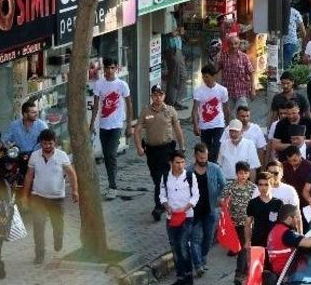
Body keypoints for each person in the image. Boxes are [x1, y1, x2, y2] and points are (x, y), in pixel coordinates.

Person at [22, 129, 78, 265]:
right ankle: (39, 254)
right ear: (40, 143)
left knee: (57, 224)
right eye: (44, 143)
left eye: (50, 143)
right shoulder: (34, 156)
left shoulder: (62, 156)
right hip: (38, 196)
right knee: (38, 225)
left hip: (56, 197)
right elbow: (29, 175)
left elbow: (71, 174)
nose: (47, 146)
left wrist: (75, 191)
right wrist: (24, 195)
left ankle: (58, 239)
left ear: (55, 142)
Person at [133, 85, 185, 222]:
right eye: (155, 95)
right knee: (156, 177)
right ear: (151, 96)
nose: (158, 97)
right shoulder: (145, 111)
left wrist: (182, 147)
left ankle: (158, 206)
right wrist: (139, 147)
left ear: (164, 96)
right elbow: (137, 130)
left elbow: (177, 129)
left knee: (161, 178)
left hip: (166, 149)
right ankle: (165, 200)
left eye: (160, 95)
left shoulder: (170, 110)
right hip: (151, 151)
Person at [89, 57, 132, 199]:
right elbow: (96, 105)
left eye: (112, 67)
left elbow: (129, 105)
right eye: (107, 68)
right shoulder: (99, 84)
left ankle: (113, 186)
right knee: (107, 155)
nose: (109, 70)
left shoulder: (122, 85)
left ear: (116, 68)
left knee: (111, 154)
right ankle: (111, 182)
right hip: (103, 125)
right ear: (104, 69)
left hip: (117, 124)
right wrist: (92, 124)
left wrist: (129, 125)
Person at [158, 150, 199, 285]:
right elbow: (162, 195)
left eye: (182, 162)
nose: (180, 165)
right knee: (175, 247)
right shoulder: (165, 177)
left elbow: (196, 196)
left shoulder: (190, 176)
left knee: (182, 244)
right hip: (171, 217)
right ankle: (180, 276)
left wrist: (185, 207)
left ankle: (189, 275)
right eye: (177, 162)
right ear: (171, 163)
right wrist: (166, 206)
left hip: (187, 216)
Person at [188, 143, 226, 278]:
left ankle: (203, 257)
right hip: (194, 211)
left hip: (210, 209)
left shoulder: (215, 168)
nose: (203, 160)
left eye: (205, 158)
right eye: (200, 158)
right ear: (195, 156)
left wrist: (219, 198)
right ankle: (198, 265)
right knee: (195, 238)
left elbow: (224, 185)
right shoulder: (188, 171)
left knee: (208, 238)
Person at [223, 162, 257, 285]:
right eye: (240, 173)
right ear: (236, 173)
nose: (243, 176)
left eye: (245, 173)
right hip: (233, 222)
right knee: (239, 247)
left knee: (243, 247)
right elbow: (222, 199)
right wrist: (223, 203)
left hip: (247, 223)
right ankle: (246, 270)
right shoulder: (230, 186)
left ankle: (238, 274)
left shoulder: (253, 188)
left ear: (249, 174)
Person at [192, 64, 229, 162]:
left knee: (217, 147)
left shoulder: (222, 90)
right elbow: (195, 109)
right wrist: (195, 125)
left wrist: (228, 124)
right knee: (205, 149)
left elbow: (226, 108)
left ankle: (213, 165)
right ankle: (208, 165)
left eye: (207, 77)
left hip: (218, 124)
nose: (205, 79)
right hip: (204, 125)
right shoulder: (198, 91)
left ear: (214, 76)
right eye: (203, 77)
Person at [217, 33, 255, 110]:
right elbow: (216, 70)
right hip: (228, 93)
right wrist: (217, 58)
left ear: (239, 44)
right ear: (228, 45)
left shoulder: (244, 57)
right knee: (228, 115)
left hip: (241, 92)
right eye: (231, 44)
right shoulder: (223, 57)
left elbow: (251, 72)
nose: (233, 46)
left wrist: (253, 89)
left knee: (242, 114)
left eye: (236, 43)